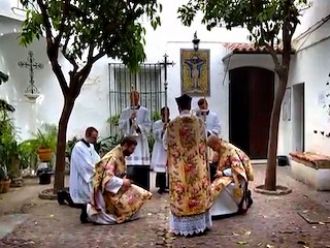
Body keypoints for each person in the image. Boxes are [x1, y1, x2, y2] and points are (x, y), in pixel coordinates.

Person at [163, 94, 212, 236]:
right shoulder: (200, 122)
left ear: (178, 107)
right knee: (197, 190)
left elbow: (166, 144)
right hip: (197, 167)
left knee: (183, 193)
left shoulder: (172, 124)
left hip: (179, 168)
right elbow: (204, 141)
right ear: (190, 106)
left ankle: (183, 227)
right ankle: (200, 224)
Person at [87, 136, 152, 224]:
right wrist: (122, 182)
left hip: (115, 188)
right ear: (125, 145)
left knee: (139, 192)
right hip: (105, 192)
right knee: (137, 193)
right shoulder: (113, 157)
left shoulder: (120, 155)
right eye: (132, 149)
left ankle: (128, 212)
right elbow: (106, 180)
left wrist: (124, 181)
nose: (132, 152)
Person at [207, 135, 254, 217]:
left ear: (217, 143)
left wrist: (223, 173)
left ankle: (224, 210)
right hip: (229, 176)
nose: (213, 149)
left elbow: (239, 170)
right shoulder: (221, 150)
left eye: (212, 147)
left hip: (237, 178)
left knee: (218, 185)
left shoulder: (231, 151)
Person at [119, 90, 151, 190]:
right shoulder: (125, 111)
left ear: (139, 98)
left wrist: (138, 127)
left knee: (141, 166)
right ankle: (131, 187)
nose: (135, 99)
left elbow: (148, 125)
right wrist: (129, 120)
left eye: (136, 97)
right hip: (130, 142)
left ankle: (143, 187)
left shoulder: (145, 111)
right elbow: (121, 125)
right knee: (131, 165)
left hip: (141, 143)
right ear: (130, 98)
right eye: (133, 97)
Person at [69, 127, 100, 223]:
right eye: (94, 138)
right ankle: (86, 216)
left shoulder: (90, 146)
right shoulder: (78, 147)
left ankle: (86, 216)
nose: (95, 140)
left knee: (89, 197)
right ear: (87, 135)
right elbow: (85, 164)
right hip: (82, 177)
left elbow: (96, 158)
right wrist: (96, 169)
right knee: (86, 197)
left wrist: (101, 164)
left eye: (96, 138)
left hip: (89, 175)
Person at [151, 107, 170, 194]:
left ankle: (170, 185)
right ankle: (161, 186)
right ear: (161, 114)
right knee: (161, 167)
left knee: (170, 167)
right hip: (160, 148)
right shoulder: (157, 123)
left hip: (169, 147)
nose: (165, 116)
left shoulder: (173, 123)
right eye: (164, 114)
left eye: (167, 114)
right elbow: (155, 136)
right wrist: (162, 130)